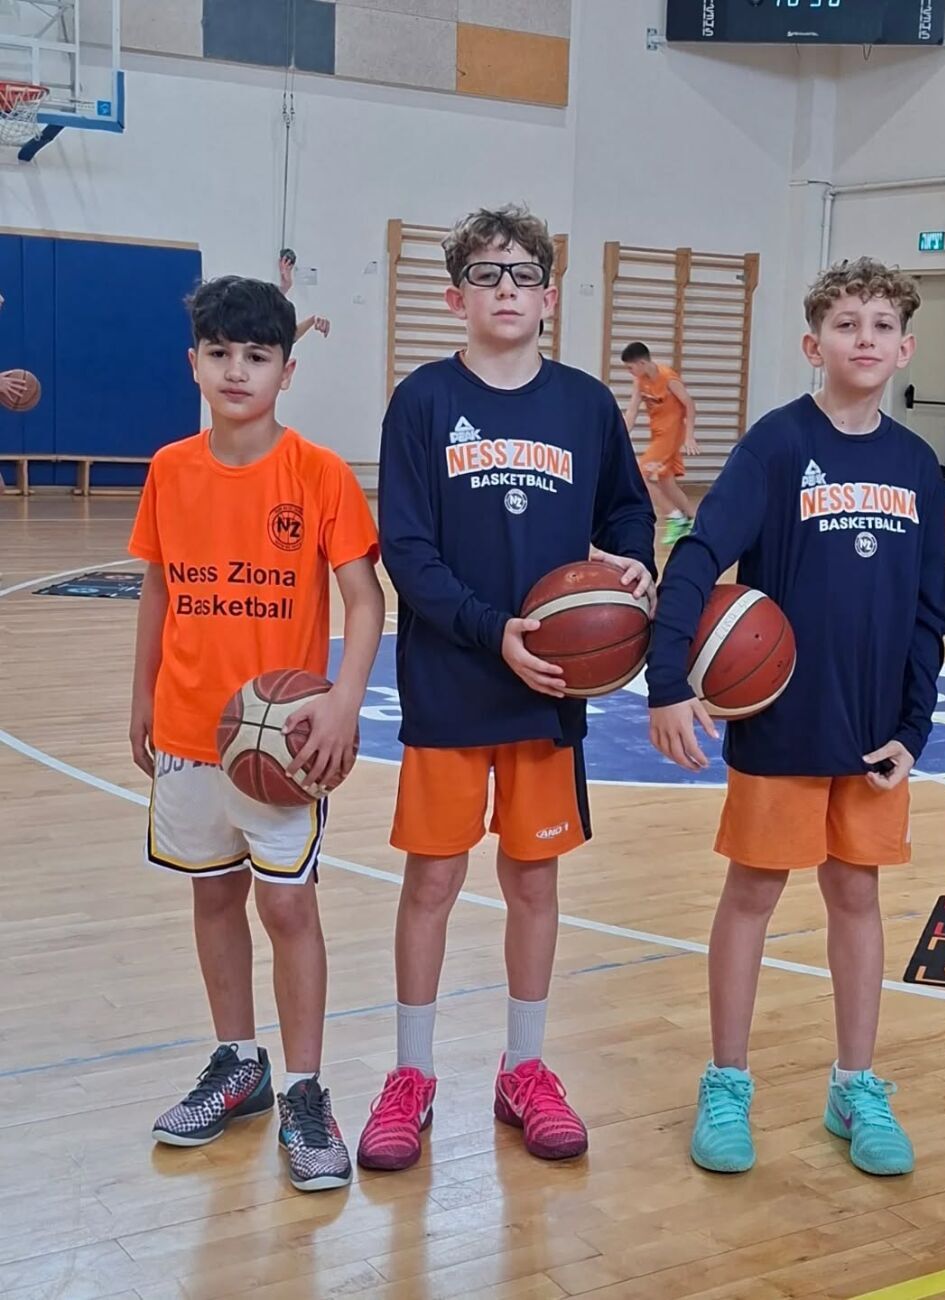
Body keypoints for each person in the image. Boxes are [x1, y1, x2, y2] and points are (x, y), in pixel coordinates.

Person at [358, 205, 655, 1173]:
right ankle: (411, 1075)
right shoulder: (422, 402)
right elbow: (406, 550)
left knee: (533, 880)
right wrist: (495, 632)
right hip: (453, 678)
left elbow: (627, 509)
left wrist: (636, 564)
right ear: (456, 297)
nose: (506, 289)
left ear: (549, 295)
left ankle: (524, 1067)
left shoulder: (584, 406)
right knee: (433, 880)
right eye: (486, 275)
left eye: (523, 274)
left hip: (550, 687)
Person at [646, 257, 945, 1177]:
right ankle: (726, 1080)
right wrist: (667, 679)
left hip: (872, 734)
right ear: (814, 346)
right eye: (846, 324)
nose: (865, 338)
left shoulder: (916, 464)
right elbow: (699, 553)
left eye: (882, 324)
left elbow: (927, 613)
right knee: (752, 895)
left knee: (857, 897)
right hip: (781, 725)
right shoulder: (777, 446)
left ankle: (855, 1085)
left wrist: (914, 728)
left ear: (906, 347)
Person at [127, 276, 384, 1192]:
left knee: (287, 908)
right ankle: (239, 1064)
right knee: (213, 896)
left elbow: (365, 599)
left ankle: (307, 1089)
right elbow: (160, 586)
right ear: (193, 363)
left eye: (257, 355)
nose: (237, 370)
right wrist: (141, 695)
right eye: (220, 353)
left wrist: (345, 701)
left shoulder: (318, 473)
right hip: (189, 730)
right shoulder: (170, 469)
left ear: (287, 371)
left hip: (280, 745)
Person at [621, 341, 698, 545]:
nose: (630, 372)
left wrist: (689, 435)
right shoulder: (640, 382)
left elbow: (689, 404)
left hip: (670, 436)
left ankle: (675, 518)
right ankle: (696, 522)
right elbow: (632, 411)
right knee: (667, 483)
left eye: (630, 368)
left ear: (642, 363)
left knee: (640, 476)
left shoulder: (668, 379)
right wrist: (619, 436)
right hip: (658, 435)